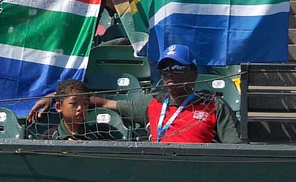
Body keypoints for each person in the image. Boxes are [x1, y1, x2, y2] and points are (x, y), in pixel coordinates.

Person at [29, 44, 241, 144]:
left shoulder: (213, 105)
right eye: (165, 69)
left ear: (193, 73)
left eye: (177, 69)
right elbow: (101, 102)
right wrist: (54, 97)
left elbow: (233, 151)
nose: (169, 75)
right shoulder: (151, 102)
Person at [42, 79, 111, 140]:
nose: (80, 108)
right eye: (74, 103)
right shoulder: (50, 135)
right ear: (59, 107)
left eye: (85, 104)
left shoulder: (98, 134)